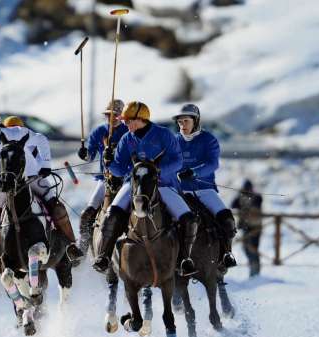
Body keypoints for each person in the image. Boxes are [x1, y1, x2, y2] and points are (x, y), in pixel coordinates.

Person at [0, 111, 83, 277]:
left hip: (31, 177)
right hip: (5, 184)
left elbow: (41, 139)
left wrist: (46, 164)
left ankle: (71, 246)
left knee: (57, 207)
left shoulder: (17, 133)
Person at [92, 101, 198, 276]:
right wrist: (109, 162)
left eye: (128, 121)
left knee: (188, 218)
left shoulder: (164, 135)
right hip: (133, 185)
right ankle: (104, 256)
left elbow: (177, 161)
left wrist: (156, 171)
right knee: (112, 214)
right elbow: (118, 168)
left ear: (140, 119)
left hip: (162, 184)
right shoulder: (127, 138)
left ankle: (184, 259)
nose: (125, 124)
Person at [173, 104, 237, 269]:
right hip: (180, 191)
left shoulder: (209, 139)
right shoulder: (174, 141)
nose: (182, 126)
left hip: (204, 191)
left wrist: (194, 172)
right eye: (180, 122)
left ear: (195, 121)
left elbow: (213, 163)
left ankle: (226, 253)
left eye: (186, 121)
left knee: (227, 219)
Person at [76, 99, 129, 255]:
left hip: (126, 180)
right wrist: (85, 154)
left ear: (122, 116)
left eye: (115, 115)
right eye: (108, 115)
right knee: (88, 212)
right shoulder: (98, 132)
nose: (111, 118)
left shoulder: (129, 132)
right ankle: (83, 246)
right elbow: (90, 156)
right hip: (105, 180)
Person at [232, 179, 263, 277]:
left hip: (255, 227)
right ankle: (253, 268)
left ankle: (255, 271)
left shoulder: (257, 197)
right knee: (246, 248)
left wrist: (246, 198)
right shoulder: (241, 197)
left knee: (253, 248)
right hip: (246, 227)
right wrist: (241, 196)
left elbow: (256, 203)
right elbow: (233, 205)